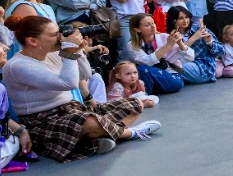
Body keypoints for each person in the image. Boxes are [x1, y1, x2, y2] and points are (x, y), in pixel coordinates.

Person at [2, 15, 157, 161]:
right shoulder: (17, 66)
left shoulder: (52, 53)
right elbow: (67, 83)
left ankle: (99, 137)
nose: (60, 37)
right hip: (43, 120)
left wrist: (78, 51)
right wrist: (69, 51)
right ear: (33, 41)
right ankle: (131, 133)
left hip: (72, 109)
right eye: (54, 35)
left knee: (134, 104)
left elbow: (85, 74)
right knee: (88, 122)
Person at [127, 13, 187, 95]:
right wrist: (168, 45)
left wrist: (180, 43)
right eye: (147, 25)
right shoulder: (132, 44)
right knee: (139, 70)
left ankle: (144, 95)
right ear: (137, 29)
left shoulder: (165, 37)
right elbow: (148, 61)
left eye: (153, 23)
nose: (153, 26)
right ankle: (144, 94)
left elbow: (189, 57)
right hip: (153, 78)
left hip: (172, 77)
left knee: (142, 70)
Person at [165, 6, 222, 84]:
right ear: (173, 20)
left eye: (187, 17)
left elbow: (221, 51)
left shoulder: (199, 29)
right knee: (169, 66)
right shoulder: (170, 35)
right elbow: (173, 55)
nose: (185, 21)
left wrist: (210, 43)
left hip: (203, 68)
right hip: (185, 65)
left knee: (172, 68)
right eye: (181, 18)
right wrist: (194, 38)